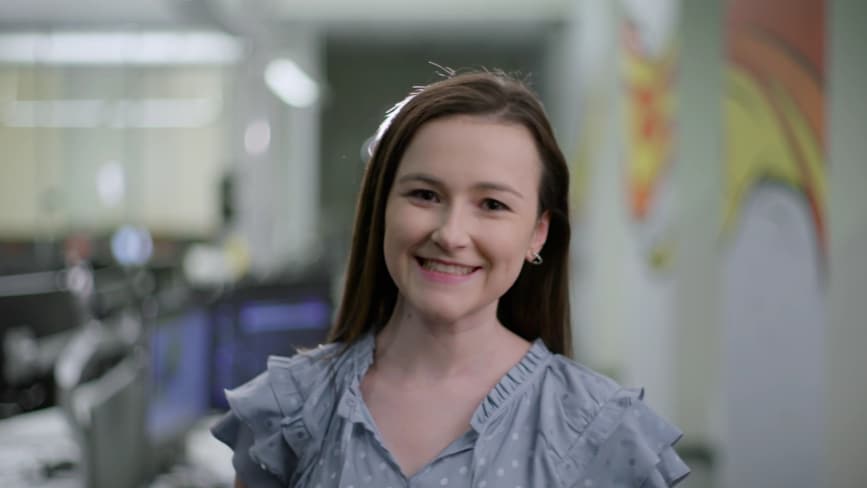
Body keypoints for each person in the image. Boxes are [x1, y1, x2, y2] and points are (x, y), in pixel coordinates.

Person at [211, 70, 689, 488]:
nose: (451, 234)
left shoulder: (601, 432)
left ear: (537, 234)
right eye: (424, 194)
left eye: (493, 205)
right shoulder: (288, 411)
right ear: (382, 208)